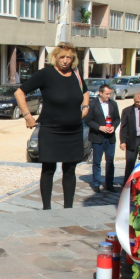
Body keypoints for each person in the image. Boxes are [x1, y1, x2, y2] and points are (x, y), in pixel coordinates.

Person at [15, 42, 89, 210]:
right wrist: (27, 115)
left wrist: (86, 106)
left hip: (73, 130)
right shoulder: (45, 74)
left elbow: (84, 91)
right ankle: (46, 209)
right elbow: (19, 92)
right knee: (48, 169)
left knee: (70, 170)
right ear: (54, 57)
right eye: (62, 57)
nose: (65, 61)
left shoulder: (76, 74)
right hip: (51, 130)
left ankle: (68, 208)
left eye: (69, 58)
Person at [85, 84, 121, 193]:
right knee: (97, 162)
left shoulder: (113, 104)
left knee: (110, 162)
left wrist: (114, 127)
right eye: (107, 94)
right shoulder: (92, 104)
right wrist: (99, 127)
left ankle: (109, 184)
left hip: (110, 138)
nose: (109, 96)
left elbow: (117, 119)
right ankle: (96, 183)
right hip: (97, 137)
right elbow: (88, 120)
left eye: (110, 94)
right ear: (100, 93)